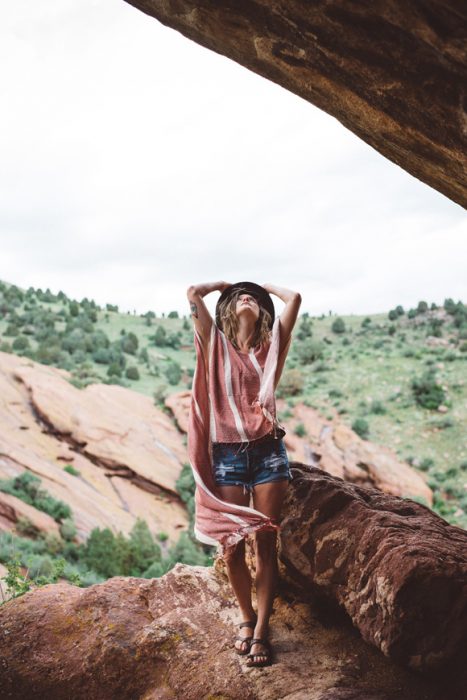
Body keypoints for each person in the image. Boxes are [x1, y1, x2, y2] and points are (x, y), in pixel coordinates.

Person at [186, 280, 301, 667]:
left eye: (253, 298)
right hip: (228, 456)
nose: (246, 298)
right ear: (227, 310)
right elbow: (192, 294)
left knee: (265, 546)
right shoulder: (215, 344)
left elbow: (295, 299)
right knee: (232, 546)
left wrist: (261, 287)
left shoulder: (272, 350)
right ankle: (246, 618)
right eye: (239, 297)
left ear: (263, 310)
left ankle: (263, 631)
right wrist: (224, 286)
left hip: (268, 454)